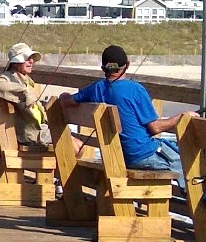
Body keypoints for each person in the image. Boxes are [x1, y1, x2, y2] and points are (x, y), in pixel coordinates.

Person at [58, 44, 189, 193]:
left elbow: (65, 101)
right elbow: (155, 128)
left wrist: (63, 96)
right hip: (141, 155)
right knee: (188, 161)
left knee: (173, 148)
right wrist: (183, 117)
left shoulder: (96, 88)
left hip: (117, 157)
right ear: (127, 65)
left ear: (103, 69)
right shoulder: (135, 90)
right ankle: (199, 209)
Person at [0, 42, 58, 148]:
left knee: (75, 143)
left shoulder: (23, 79)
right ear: (15, 62)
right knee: (76, 146)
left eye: (32, 58)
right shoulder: (8, 78)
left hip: (37, 131)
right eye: (27, 58)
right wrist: (24, 91)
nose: (31, 61)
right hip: (31, 135)